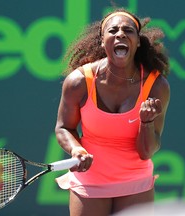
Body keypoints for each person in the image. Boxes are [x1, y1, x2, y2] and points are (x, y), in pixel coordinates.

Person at [55, 8, 170, 216]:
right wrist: (76, 150)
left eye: (128, 30)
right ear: (102, 41)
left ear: (136, 42)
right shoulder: (78, 82)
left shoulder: (156, 85)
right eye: (113, 30)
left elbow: (146, 152)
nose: (120, 34)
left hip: (136, 182)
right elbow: (64, 127)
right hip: (90, 179)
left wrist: (146, 122)